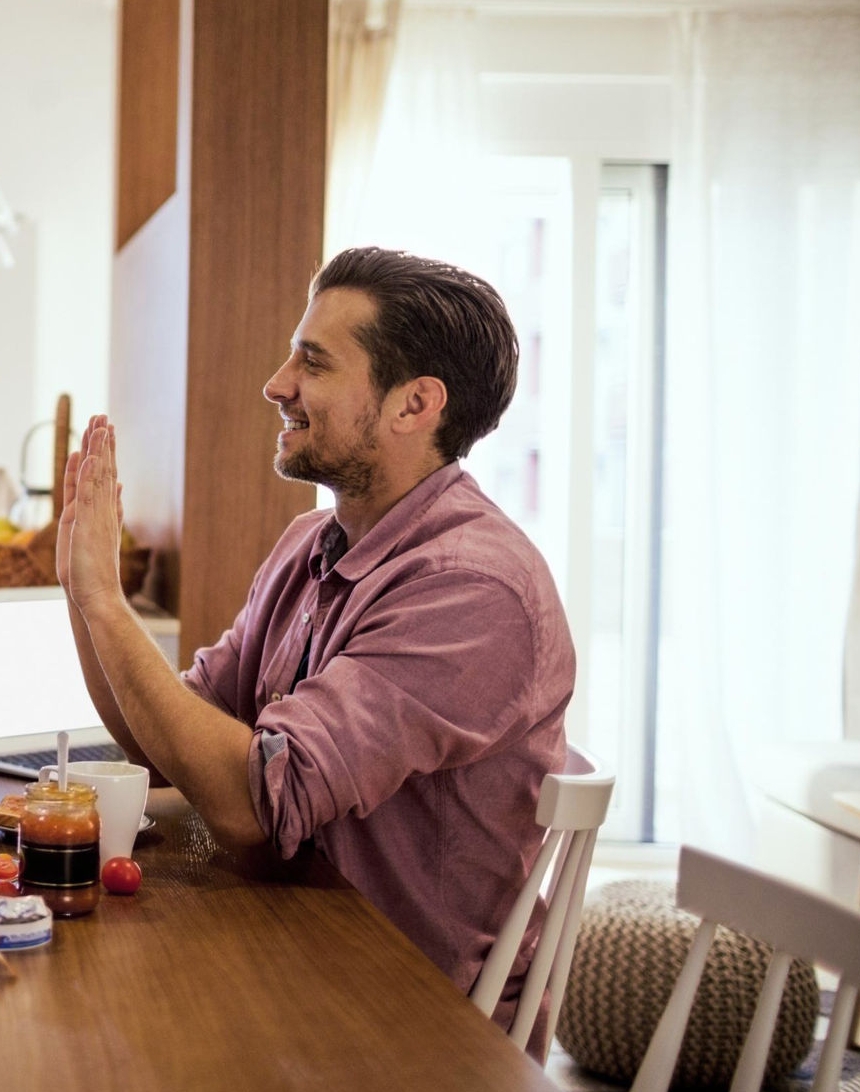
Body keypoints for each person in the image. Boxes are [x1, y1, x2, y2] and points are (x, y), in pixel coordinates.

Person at [55, 247, 573, 1058]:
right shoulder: (311, 543)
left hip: (409, 1028)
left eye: (315, 362)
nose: (277, 382)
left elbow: (248, 801)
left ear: (415, 405)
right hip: (293, 943)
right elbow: (164, 747)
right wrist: (82, 594)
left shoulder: (474, 588)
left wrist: (104, 605)